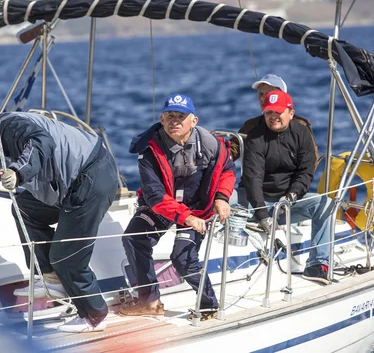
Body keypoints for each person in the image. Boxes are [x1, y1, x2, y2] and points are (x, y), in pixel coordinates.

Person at [0, 112, 118, 333]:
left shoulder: (8, 128)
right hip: (73, 183)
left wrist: (18, 172)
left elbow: (41, 142)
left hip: (92, 175)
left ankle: (94, 315)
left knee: (65, 256)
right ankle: (52, 278)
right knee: (24, 209)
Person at [120, 94, 235, 320]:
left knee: (183, 258)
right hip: (163, 207)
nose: (175, 121)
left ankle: (208, 305)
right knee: (134, 238)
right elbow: (155, 196)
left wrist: (222, 197)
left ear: (194, 121)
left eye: (181, 116)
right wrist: (184, 217)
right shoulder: (149, 150)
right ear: (161, 119)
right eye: (170, 116)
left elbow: (227, 171)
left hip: (197, 209)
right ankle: (150, 301)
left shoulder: (212, 144)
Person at [242, 90, 334, 285]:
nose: (273, 116)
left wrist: (291, 196)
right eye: (268, 113)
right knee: (226, 201)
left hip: (288, 203)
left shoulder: (302, 134)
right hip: (256, 201)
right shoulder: (255, 137)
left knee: (325, 203)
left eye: (278, 112)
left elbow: (306, 172)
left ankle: (318, 264)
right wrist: (262, 215)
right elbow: (253, 178)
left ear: (290, 113)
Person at [229, 74, 317, 163]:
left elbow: (310, 160)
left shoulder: (301, 126)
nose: (263, 98)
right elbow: (232, 150)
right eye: (261, 94)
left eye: (268, 94)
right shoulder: (251, 125)